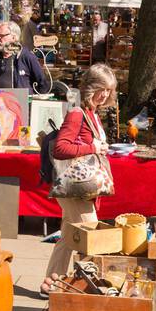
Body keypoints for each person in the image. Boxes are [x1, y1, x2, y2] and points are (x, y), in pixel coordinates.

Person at [43, 64, 115, 284]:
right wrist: (93, 148)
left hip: (81, 187)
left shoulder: (92, 113)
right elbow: (61, 148)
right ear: (90, 87)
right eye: (101, 89)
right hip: (75, 189)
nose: (105, 95)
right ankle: (91, 285)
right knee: (91, 237)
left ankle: (51, 283)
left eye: (109, 90)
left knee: (67, 238)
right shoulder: (77, 114)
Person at [0, 20, 51, 93]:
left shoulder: (27, 57)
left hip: (22, 102)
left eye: (1, 36)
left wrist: (33, 100)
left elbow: (43, 83)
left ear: (14, 37)